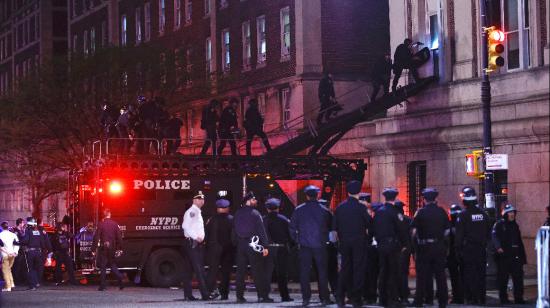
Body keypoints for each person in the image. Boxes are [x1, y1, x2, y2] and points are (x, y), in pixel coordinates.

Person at [289, 185, 333, 307]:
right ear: (317, 195)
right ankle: (324, 298)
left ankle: (306, 299)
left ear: (307, 195)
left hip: (304, 246)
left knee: (304, 273)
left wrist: (298, 240)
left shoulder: (299, 210)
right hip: (320, 245)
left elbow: (292, 228)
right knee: (322, 272)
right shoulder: (324, 210)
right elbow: (332, 227)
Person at [333, 181, 372, 308]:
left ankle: (340, 297)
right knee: (358, 270)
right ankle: (356, 299)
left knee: (345, 269)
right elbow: (369, 224)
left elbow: (335, 226)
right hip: (359, 241)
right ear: (359, 192)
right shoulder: (362, 208)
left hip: (344, 241)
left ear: (347, 192)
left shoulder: (340, 207)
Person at [409, 188, 450, 308]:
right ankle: (443, 302)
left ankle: (420, 300)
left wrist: (415, 245)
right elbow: (447, 231)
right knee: (440, 276)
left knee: (422, 276)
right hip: (438, 247)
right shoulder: (441, 212)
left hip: (424, 247)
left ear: (424, 199)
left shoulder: (420, 212)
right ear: (435, 199)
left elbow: (413, 231)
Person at [233, 191, 272, 303]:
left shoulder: (237, 213)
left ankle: (239, 296)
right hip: (253, 244)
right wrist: (265, 245)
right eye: (254, 199)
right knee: (257, 271)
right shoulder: (255, 213)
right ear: (248, 201)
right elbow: (261, 231)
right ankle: (261, 296)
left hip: (241, 245)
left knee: (240, 272)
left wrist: (236, 243)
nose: (256, 201)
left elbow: (234, 231)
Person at [455, 186, 490, 305]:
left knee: (470, 274)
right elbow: (488, 232)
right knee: (481, 273)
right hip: (481, 249)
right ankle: (482, 297)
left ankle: (472, 298)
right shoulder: (483, 214)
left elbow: (459, 235)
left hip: (468, 250)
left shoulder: (463, 215)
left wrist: (458, 250)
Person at [373, 188, 408, 307]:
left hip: (381, 244)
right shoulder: (395, 212)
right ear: (395, 198)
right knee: (393, 272)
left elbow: (373, 228)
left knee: (383, 272)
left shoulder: (379, 212)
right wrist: (405, 245)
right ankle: (392, 300)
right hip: (393, 245)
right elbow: (402, 230)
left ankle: (382, 299)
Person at [181, 191, 217, 300]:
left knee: (188, 270)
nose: (202, 201)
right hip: (193, 243)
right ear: (194, 200)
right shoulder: (192, 212)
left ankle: (188, 295)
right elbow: (185, 226)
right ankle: (206, 294)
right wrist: (196, 237)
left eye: (203, 199)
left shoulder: (197, 211)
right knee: (199, 269)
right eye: (199, 199)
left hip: (190, 243)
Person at [492, 204, 527, 305]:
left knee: (518, 278)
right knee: (503, 278)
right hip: (504, 256)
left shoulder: (515, 225)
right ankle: (503, 299)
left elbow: (519, 241)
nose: (512, 214)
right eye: (510, 213)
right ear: (505, 214)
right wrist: (498, 247)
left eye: (513, 213)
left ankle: (518, 298)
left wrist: (523, 257)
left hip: (515, 255)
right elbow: (494, 236)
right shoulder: (499, 224)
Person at [263, 197, 293, 302]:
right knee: (282, 274)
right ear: (278, 208)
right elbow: (291, 235)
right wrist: (291, 245)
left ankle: (264, 295)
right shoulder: (284, 219)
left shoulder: (263, 220)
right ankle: (285, 296)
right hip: (281, 248)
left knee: (267, 273)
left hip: (268, 249)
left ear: (267, 209)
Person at [205, 197, 234, 300]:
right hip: (228, 249)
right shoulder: (232, 219)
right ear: (227, 208)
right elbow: (234, 235)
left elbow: (206, 234)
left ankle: (209, 292)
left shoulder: (211, 220)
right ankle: (224, 294)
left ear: (218, 208)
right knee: (226, 272)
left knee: (212, 271)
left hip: (214, 249)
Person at [92, 208, 124, 291]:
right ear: (109, 214)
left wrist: (93, 249)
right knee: (112, 264)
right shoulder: (115, 224)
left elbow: (96, 237)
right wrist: (120, 248)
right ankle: (120, 278)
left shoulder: (101, 224)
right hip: (112, 248)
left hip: (104, 248)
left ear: (104, 215)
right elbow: (119, 237)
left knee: (103, 267)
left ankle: (102, 286)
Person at [19, 218, 48, 290]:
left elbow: (25, 241)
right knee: (36, 269)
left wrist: (17, 242)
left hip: (31, 252)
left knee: (30, 269)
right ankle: (36, 283)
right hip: (38, 252)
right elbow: (42, 242)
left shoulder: (28, 231)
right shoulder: (38, 231)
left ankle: (32, 286)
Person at [394, 200, 412, 304]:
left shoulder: (391, 219)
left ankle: (395, 295)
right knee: (404, 273)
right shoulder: (408, 220)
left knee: (394, 273)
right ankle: (404, 296)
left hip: (395, 249)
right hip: (405, 249)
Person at [447, 204, 464, 304]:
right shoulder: (463, 224)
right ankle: (463, 296)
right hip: (460, 253)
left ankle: (457, 296)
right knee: (462, 276)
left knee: (454, 277)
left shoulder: (449, 225)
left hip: (452, 254)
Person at [0, 221, 19, 292]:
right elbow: (17, 244)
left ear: (1, 227)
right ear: (8, 227)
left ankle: (8, 287)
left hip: (5, 255)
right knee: (8, 269)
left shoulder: (0, 235)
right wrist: (15, 252)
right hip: (12, 254)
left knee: (5, 271)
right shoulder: (13, 235)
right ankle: (12, 284)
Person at [12, 218, 26, 286]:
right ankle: (16, 280)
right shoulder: (15, 230)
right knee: (17, 266)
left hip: (22, 250)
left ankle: (21, 279)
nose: (23, 224)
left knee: (22, 266)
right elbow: (15, 241)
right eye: (22, 223)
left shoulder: (22, 230)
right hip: (17, 250)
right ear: (20, 223)